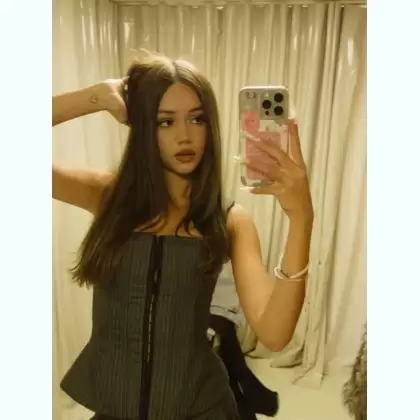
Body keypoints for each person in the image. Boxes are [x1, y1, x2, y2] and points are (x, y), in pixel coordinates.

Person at [52, 51, 313, 420]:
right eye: (165, 122)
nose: (185, 135)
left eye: (197, 119)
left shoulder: (230, 220)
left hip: (201, 408)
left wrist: (302, 218)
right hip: (114, 406)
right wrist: (95, 96)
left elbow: (274, 333)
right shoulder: (106, 197)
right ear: (144, 129)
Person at [208, 262, 279, 420]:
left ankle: (248, 384)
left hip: (213, 305)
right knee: (224, 361)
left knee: (220, 343)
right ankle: (249, 384)